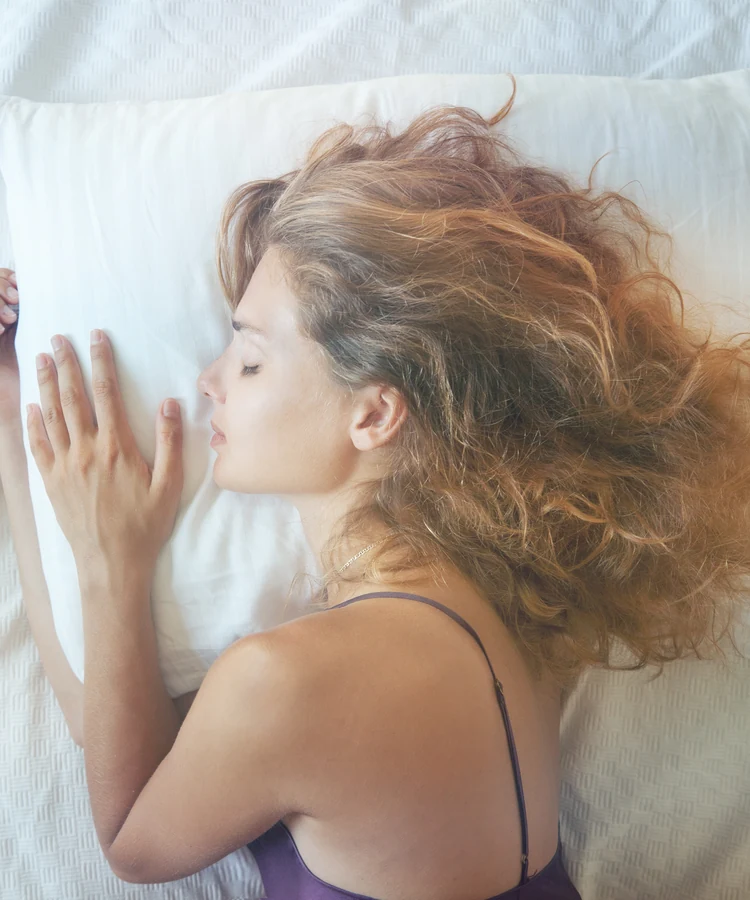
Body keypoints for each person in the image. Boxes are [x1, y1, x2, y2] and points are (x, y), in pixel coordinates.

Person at [2, 76, 750, 899]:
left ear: (375, 414)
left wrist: (112, 566)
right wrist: (11, 400)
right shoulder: (523, 612)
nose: (212, 380)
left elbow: (130, 840)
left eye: (249, 358)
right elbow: (117, 726)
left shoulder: (284, 683)